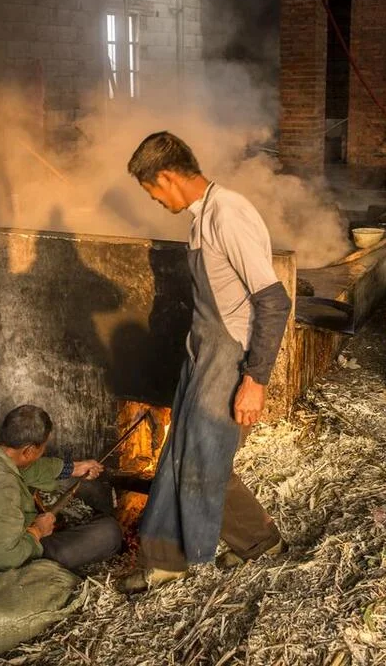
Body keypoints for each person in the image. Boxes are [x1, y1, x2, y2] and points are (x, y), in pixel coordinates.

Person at [117, 131, 291, 594]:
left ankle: (258, 542)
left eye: (150, 189)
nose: (152, 199)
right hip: (204, 351)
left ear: (168, 176)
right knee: (181, 454)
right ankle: (167, 559)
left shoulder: (228, 214)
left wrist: (255, 379)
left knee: (205, 459)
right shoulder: (201, 218)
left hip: (229, 354)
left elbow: (274, 302)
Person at [0, 404, 122, 572]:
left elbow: (27, 468)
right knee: (109, 533)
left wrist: (74, 468)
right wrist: (38, 530)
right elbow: (5, 558)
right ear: (29, 450)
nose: (43, 451)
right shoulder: (4, 487)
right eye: (43, 447)